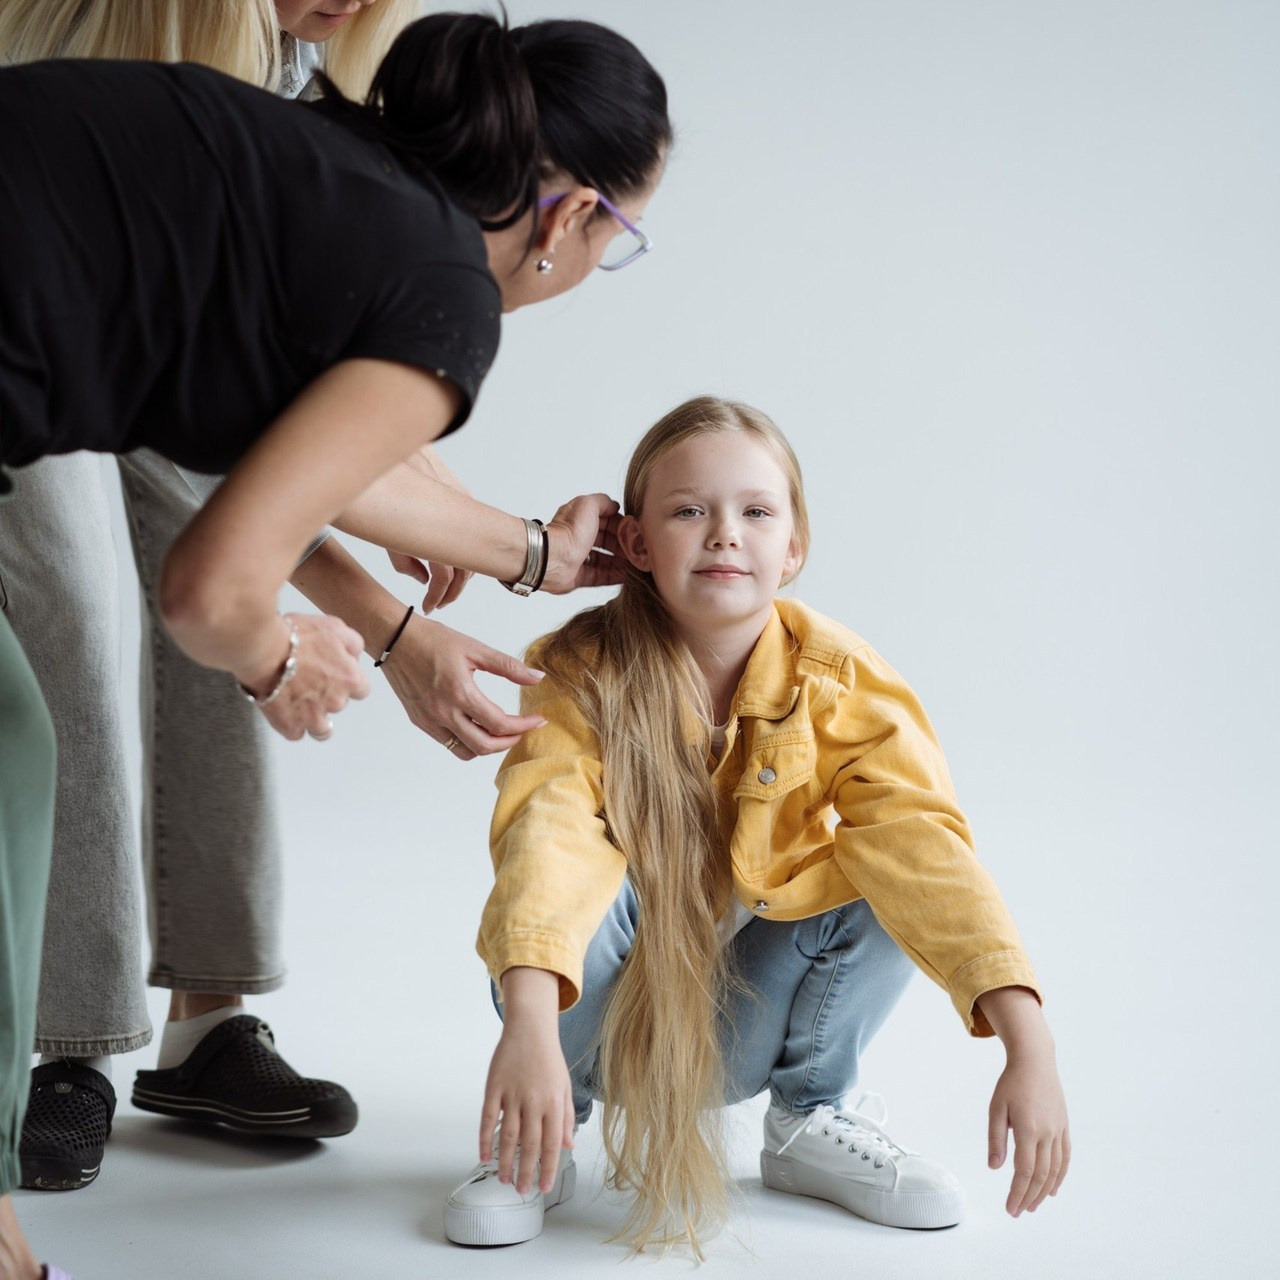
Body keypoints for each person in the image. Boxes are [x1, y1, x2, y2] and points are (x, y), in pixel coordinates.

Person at [0, 11, 672, 1277]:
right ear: (576, 214)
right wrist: (279, 660)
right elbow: (209, 585)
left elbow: (272, 459)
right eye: (624, 238)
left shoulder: (334, 173)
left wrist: (521, 553)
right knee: (9, 760)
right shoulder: (443, 297)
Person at [443, 396, 1071, 1255]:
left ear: (794, 548)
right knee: (579, 864)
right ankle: (541, 1136)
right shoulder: (578, 669)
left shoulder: (837, 677)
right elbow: (543, 832)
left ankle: (808, 1117)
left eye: (757, 513)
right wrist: (526, 1027)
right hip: (579, 1026)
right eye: (688, 511)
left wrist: (1028, 1041)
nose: (724, 535)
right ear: (636, 544)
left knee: (885, 869)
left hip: (737, 1027)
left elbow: (924, 846)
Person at [0, 0, 424, 1198]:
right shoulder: (129, 24)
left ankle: (207, 1020)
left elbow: (267, 361)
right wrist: (384, 617)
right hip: (24, 319)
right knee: (78, 606)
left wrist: (411, 510)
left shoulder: (298, 67)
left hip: (129, 326)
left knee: (221, 593)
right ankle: (70, 1042)